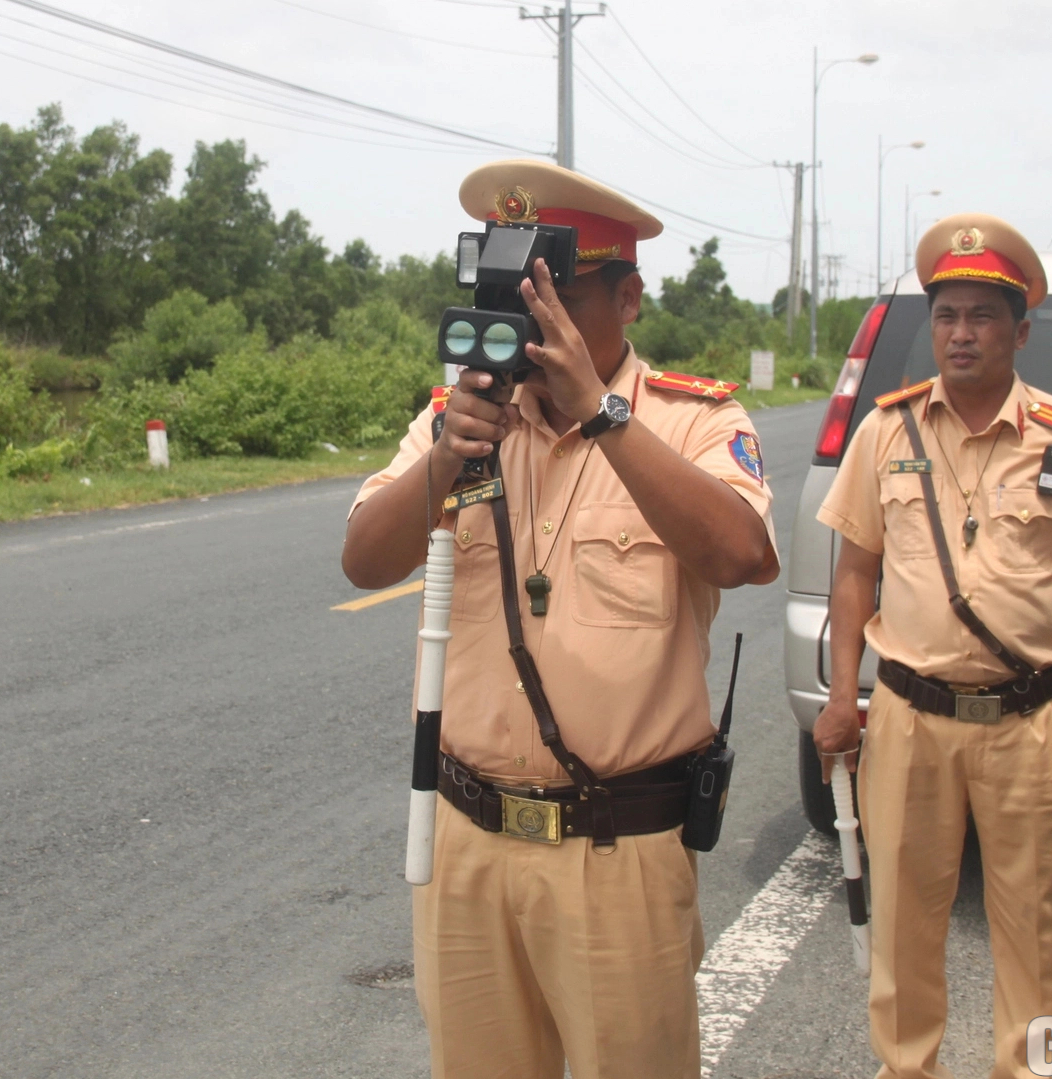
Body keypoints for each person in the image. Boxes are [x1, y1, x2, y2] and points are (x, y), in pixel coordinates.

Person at [341, 159, 780, 1079]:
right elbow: (363, 559)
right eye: (513, 295)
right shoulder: (459, 414)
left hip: (617, 849)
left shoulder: (693, 420)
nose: (530, 320)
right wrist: (442, 463)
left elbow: (741, 554)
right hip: (470, 842)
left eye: (555, 295)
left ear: (628, 299)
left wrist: (603, 416)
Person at [811, 213, 1052, 1079]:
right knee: (903, 927)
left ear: (1020, 331)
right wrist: (841, 698)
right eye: (948, 314)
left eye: (983, 317)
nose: (961, 333)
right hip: (908, 716)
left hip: (1030, 722)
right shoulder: (887, 433)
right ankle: (907, 1068)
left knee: (1035, 932)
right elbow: (854, 576)